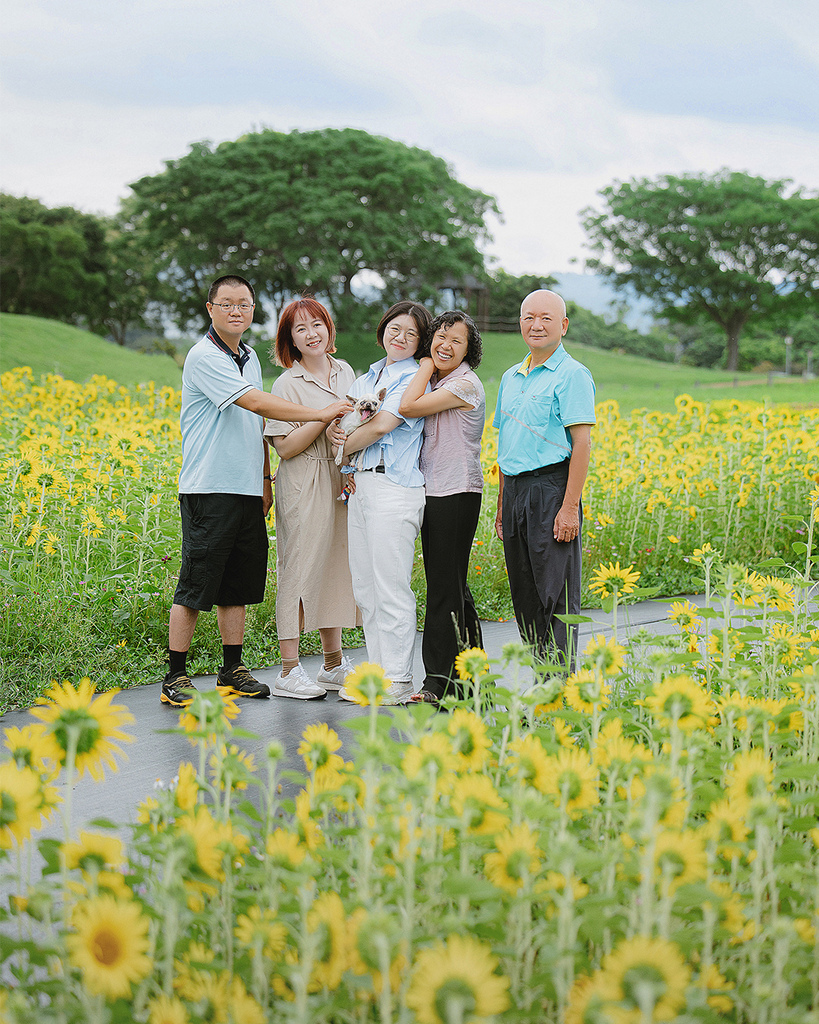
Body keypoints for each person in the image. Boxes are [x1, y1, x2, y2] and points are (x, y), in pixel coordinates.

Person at [161, 275, 351, 707]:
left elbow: (256, 430)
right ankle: (175, 676)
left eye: (244, 304)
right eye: (226, 304)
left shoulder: (247, 357)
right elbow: (257, 404)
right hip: (209, 486)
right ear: (210, 308)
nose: (236, 311)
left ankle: (232, 670)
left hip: (247, 488)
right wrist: (320, 413)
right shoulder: (204, 355)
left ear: (252, 311)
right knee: (196, 583)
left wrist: (264, 480)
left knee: (239, 585)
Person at [328, 300, 432, 705]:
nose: (400, 337)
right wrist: (343, 451)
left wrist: (342, 450)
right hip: (361, 489)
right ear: (383, 329)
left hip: (394, 487)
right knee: (366, 588)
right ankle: (378, 677)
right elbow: (339, 427)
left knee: (391, 587)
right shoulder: (369, 375)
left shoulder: (414, 378)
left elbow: (381, 426)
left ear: (420, 341)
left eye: (411, 333)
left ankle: (399, 679)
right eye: (394, 328)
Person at [493, 289, 595, 670]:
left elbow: (581, 444)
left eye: (546, 318)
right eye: (528, 317)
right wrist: (502, 505)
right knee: (525, 594)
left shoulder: (572, 375)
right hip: (516, 490)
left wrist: (569, 509)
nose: (536, 325)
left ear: (563, 326)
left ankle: (561, 690)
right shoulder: (510, 377)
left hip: (552, 490)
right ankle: (543, 685)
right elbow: (507, 444)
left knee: (556, 594)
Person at [263, 298, 360, 700]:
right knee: (298, 569)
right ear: (291, 340)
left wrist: (347, 447)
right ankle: (288, 670)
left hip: (340, 474)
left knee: (335, 565)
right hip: (303, 477)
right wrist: (325, 419)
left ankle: (333, 664)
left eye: (316, 324)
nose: (311, 333)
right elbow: (284, 448)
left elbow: (353, 423)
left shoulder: (347, 372)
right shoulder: (287, 383)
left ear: (328, 328)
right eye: (300, 329)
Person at [397, 310, 486, 704]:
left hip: (456, 493)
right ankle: (471, 675)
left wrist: (425, 364)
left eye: (456, 341)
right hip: (434, 492)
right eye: (440, 337)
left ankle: (436, 682)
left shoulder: (464, 384)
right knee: (453, 586)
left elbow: (408, 407)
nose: (445, 345)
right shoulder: (439, 381)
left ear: (469, 350)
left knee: (443, 589)